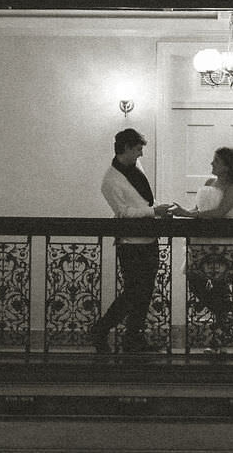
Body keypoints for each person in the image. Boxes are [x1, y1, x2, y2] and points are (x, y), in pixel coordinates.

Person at [93, 128, 174, 353]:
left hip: (148, 240)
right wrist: (153, 212)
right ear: (126, 148)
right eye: (138, 149)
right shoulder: (110, 181)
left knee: (144, 293)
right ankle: (101, 329)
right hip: (130, 244)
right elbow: (123, 212)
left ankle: (133, 338)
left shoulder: (135, 168)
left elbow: (143, 200)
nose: (140, 154)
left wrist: (157, 209)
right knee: (132, 293)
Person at [175, 147, 233, 352]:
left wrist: (188, 216)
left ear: (227, 165)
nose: (211, 164)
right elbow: (198, 209)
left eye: (216, 161)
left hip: (223, 244)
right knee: (195, 281)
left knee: (220, 288)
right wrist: (180, 212)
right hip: (201, 242)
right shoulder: (209, 183)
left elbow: (220, 212)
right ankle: (227, 320)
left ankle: (221, 336)